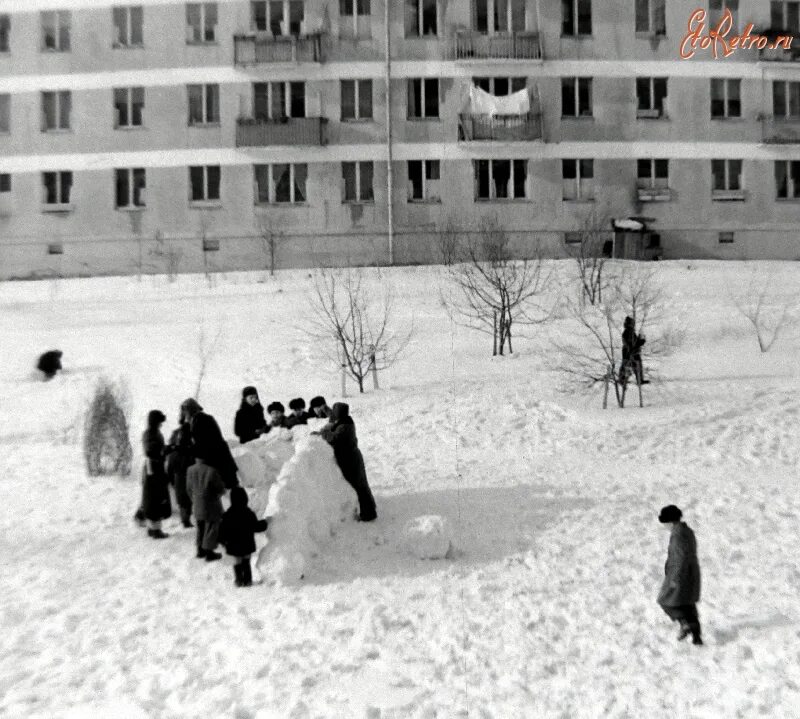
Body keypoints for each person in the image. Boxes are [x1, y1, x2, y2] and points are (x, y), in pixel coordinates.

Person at [318, 402, 377, 522]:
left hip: (351, 461)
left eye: (335, 412)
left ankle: (369, 514)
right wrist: (325, 408)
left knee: (359, 487)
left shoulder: (345, 426)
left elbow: (334, 438)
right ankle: (370, 509)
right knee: (361, 486)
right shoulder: (344, 419)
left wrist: (323, 432)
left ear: (339, 414)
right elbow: (332, 416)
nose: (333, 415)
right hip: (351, 458)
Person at [657, 505, 702, 646]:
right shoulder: (687, 531)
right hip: (691, 572)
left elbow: (679, 558)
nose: (665, 526)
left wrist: (675, 579)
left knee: (665, 600)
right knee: (688, 604)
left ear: (670, 521)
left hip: (680, 573)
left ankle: (685, 624)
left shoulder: (677, 535)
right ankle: (697, 637)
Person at [180, 397, 239, 489]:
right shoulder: (206, 418)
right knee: (235, 491)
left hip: (218, 465)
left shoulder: (198, 423)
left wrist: (186, 448)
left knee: (227, 494)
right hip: (224, 462)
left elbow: (202, 448)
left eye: (184, 413)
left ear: (188, 412)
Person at [219, 486, 269, 587]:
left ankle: (238, 580)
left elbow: (222, 531)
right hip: (246, 544)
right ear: (245, 498)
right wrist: (266, 522)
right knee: (246, 562)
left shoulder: (227, 515)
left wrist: (223, 541)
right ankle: (247, 580)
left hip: (233, 545)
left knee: (237, 562)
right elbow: (257, 527)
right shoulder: (249, 513)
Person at [186, 454, 226, 561]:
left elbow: (188, 488)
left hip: (197, 504)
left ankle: (200, 550)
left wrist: (194, 499)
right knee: (210, 528)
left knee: (200, 528)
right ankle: (209, 553)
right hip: (211, 505)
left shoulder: (190, 469)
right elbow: (221, 489)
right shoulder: (212, 471)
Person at [140, 410, 171, 539]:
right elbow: (151, 451)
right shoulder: (151, 434)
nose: (161, 425)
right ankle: (155, 530)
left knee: (152, 499)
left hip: (153, 469)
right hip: (153, 470)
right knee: (155, 499)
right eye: (160, 422)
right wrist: (164, 450)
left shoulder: (151, 433)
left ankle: (151, 528)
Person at [165, 419, 195, 528]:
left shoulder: (174, 453)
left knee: (182, 501)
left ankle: (185, 520)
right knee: (187, 501)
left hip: (178, 479)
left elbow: (170, 467)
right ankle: (186, 520)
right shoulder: (191, 451)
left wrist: (170, 479)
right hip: (188, 478)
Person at [621, 316, 648, 385]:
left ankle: (638, 380)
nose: (634, 325)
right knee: (628, 366)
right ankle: (623, 379)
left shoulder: (630, 332)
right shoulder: (628, 332)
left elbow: (634, 342)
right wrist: (641, 341)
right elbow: (633, 344)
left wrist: (640, 340)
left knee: (633, 366)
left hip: (632, 351)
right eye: (632, 323)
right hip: (630, 352)